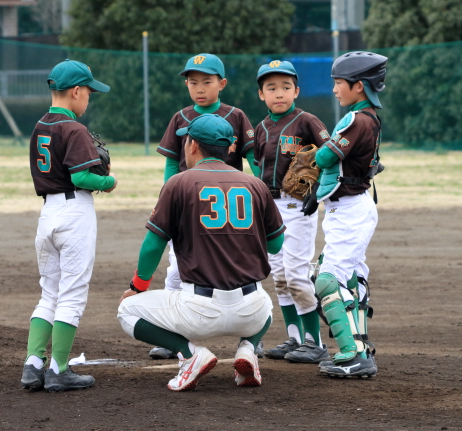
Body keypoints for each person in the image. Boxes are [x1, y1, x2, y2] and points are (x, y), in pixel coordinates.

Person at [118, 114, 286, 391]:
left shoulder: (179, 183)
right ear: (230, 147)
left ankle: (190, 354)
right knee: (266, 302)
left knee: (127, 311)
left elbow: (152, 245)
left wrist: (138, 286)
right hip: (251, 311)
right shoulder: (256, 185)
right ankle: (248, 350)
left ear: (192, 145)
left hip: (198, 313)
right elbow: (276, 245)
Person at [151, 53, 259, 360]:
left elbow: (252, 158)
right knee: (175, 270)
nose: (199, 87)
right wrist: (167, 197)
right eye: (192, 81)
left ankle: (251, 336)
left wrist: (261, 189)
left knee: (240, 266)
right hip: (189, 204)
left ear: (221, 84)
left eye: (207, 81)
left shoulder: (236, 116)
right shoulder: (180, 118)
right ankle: (172, 333)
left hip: (227, 203)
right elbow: (173, 162)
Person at [21, 59, 117, 393]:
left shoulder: (39, 126)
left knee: (49, 292)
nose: (89, 97)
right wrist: (109, 182)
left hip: (47, 214)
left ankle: (33, 366)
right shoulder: (73, 128)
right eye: (88, 91)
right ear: (75, 91)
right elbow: (81, 176)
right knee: (72, 294)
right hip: (74, 213)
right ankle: (59, 370)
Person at [301, 51, 387, 378]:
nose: (335, 90)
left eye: (339, 83)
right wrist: (316, 193)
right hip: (349, 207)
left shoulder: (357, 119)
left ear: (360, 86)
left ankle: (352, 354)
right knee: (351, 280)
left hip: (351, 211)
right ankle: (359, 347)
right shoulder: (369, 117)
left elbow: (325, 157)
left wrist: (313, 155)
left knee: (327, 280)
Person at [252, 60, 330, 363]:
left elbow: (331, 154)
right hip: (270, 207)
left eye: (285, 87)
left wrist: (319, 191)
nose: (279, 93)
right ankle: (295, 339)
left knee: (297, 275)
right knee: (280, 276)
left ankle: (315, 342)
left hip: (298, 205)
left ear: (296, 91)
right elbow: (259, 165)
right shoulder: (261, 128)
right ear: (261, 94)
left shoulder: (307, 121)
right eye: (271, 88)